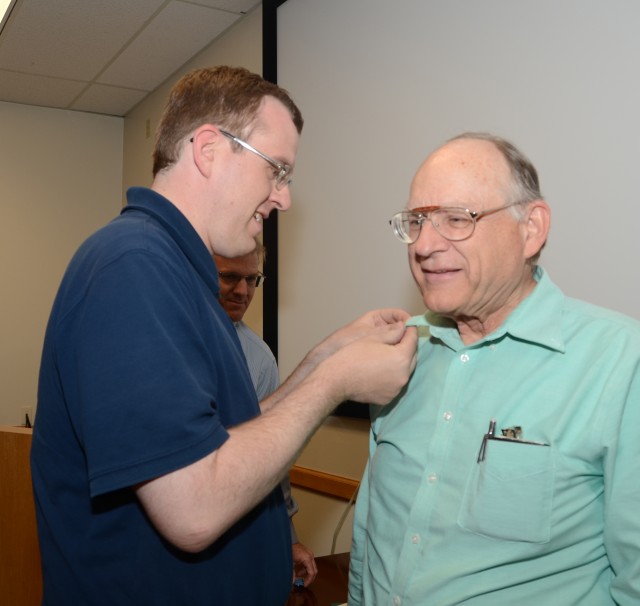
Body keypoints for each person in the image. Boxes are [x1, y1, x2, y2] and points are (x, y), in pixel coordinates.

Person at [31, 65, 418, 606]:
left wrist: (328, 355)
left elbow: (225, 445)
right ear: (210, 150)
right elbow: (193, 509)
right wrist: (333, 382)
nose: (283, 198)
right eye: (277, 170)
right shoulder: (133, 266)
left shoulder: (176, 274)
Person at [349, 132, 640, 605]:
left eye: (455, 219)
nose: (424, 245)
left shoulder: (621, 361)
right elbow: (372, 529)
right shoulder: (400, 350)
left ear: (532, 229)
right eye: (417, 221)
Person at [213, 243, 317, 587]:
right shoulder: (171, 338)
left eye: (252, 279)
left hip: (238, 534)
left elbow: (271, 455)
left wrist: (287, 537)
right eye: (229, 277)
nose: (242, 291)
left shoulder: (259, 358)